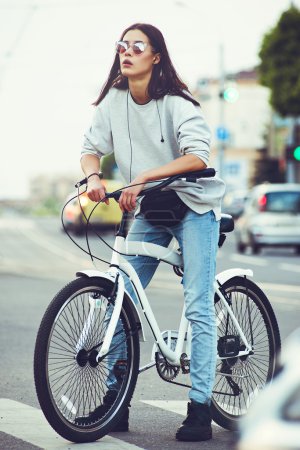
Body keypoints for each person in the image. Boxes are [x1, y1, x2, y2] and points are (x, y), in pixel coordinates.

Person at [80, 23, 225, 442]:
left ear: (155, 56)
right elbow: (91, 146)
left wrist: (143, 175)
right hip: (151, 208)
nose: (127, 52)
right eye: (122, 46)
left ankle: (200, 407)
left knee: (198, 305)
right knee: (118, 296)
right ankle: (115, 401)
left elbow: (198, 156)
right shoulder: (114, 101)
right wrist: (93, 176)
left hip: (194, 205)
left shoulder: (177, 103)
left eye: (137, 46)